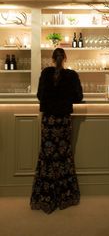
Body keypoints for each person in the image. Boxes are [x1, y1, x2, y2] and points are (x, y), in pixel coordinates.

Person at [30, 48, 83, 214]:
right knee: (63, 157)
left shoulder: (45, 73)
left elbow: (40, 95)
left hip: (49, 120)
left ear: (52, 59)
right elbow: (78, 97)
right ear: (65, 58)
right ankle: (64, 196)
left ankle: (46, 196)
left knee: (47, 157)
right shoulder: (72, 75)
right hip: (63, 120)